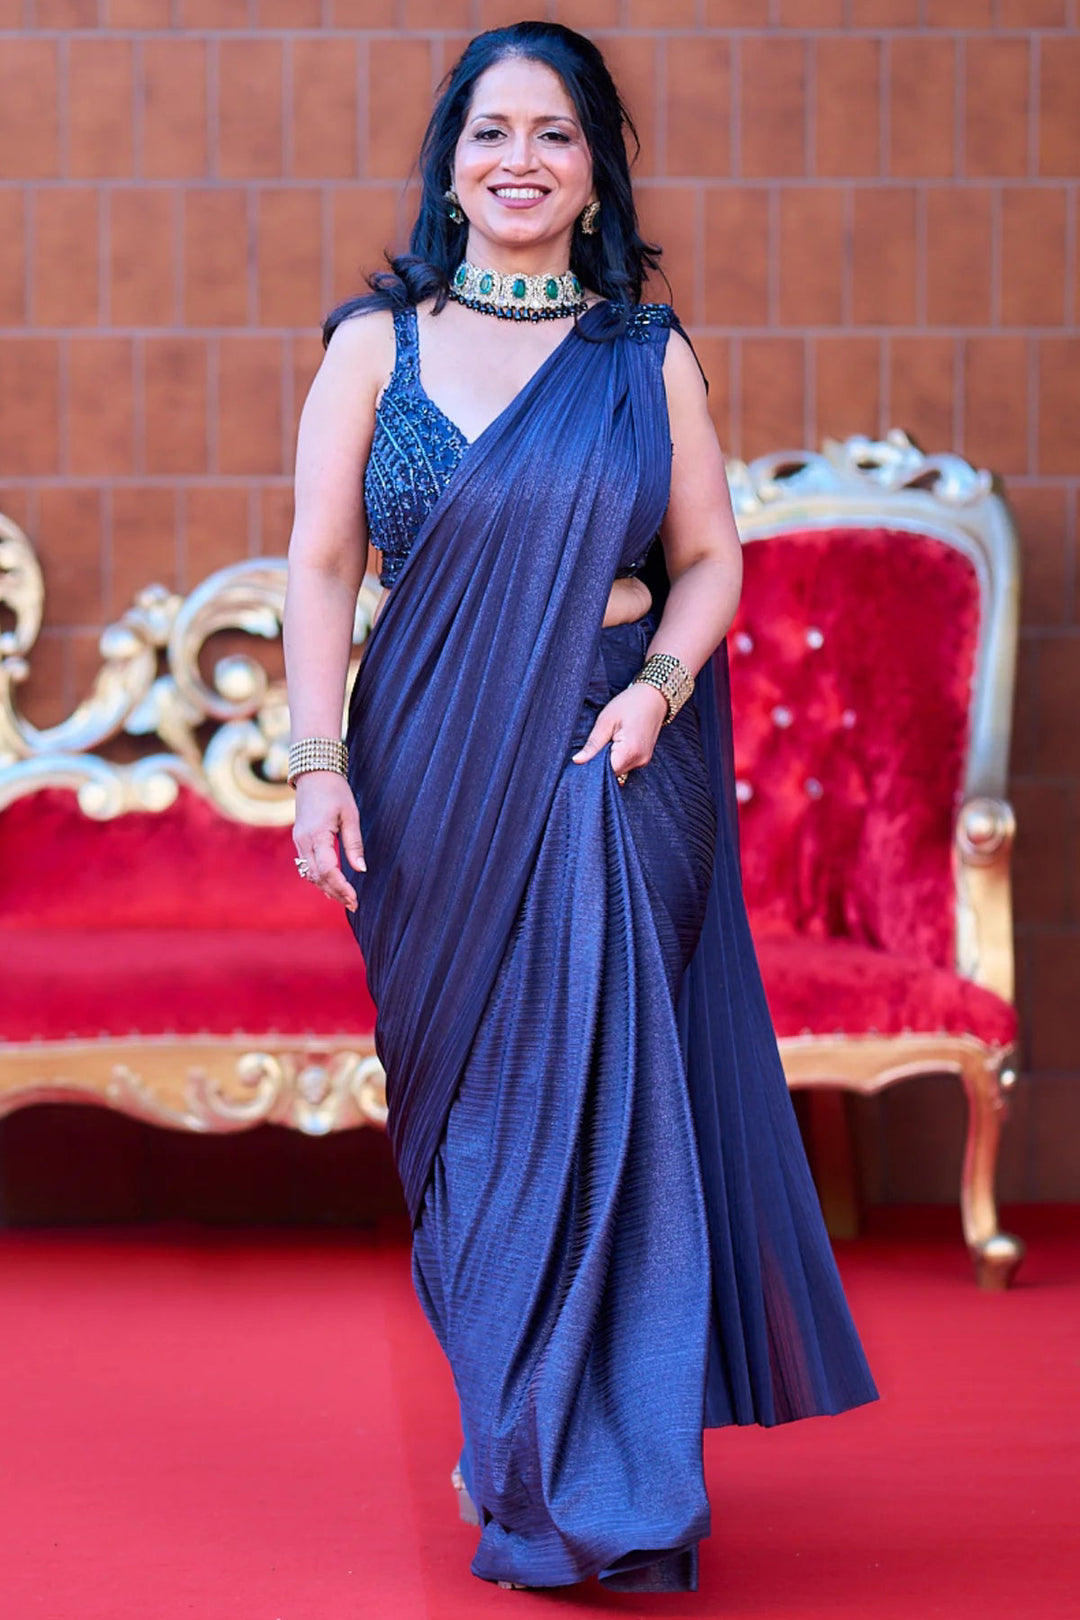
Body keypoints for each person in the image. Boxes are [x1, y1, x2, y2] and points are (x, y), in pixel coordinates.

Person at [282, 20, 878, 1595]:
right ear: (451, 165)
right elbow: (324, 566)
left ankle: (608, 1489)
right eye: (492, 131)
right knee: (475, 1127)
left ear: (597, 170)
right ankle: (519, 1433)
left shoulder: (643, 355)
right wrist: (318, 761)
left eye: (555, 132)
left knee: (608, 1117)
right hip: (429, 773)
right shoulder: (374, 347)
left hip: (612, 757)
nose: (521, 159)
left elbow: (713, 558)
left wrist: (661, 689)